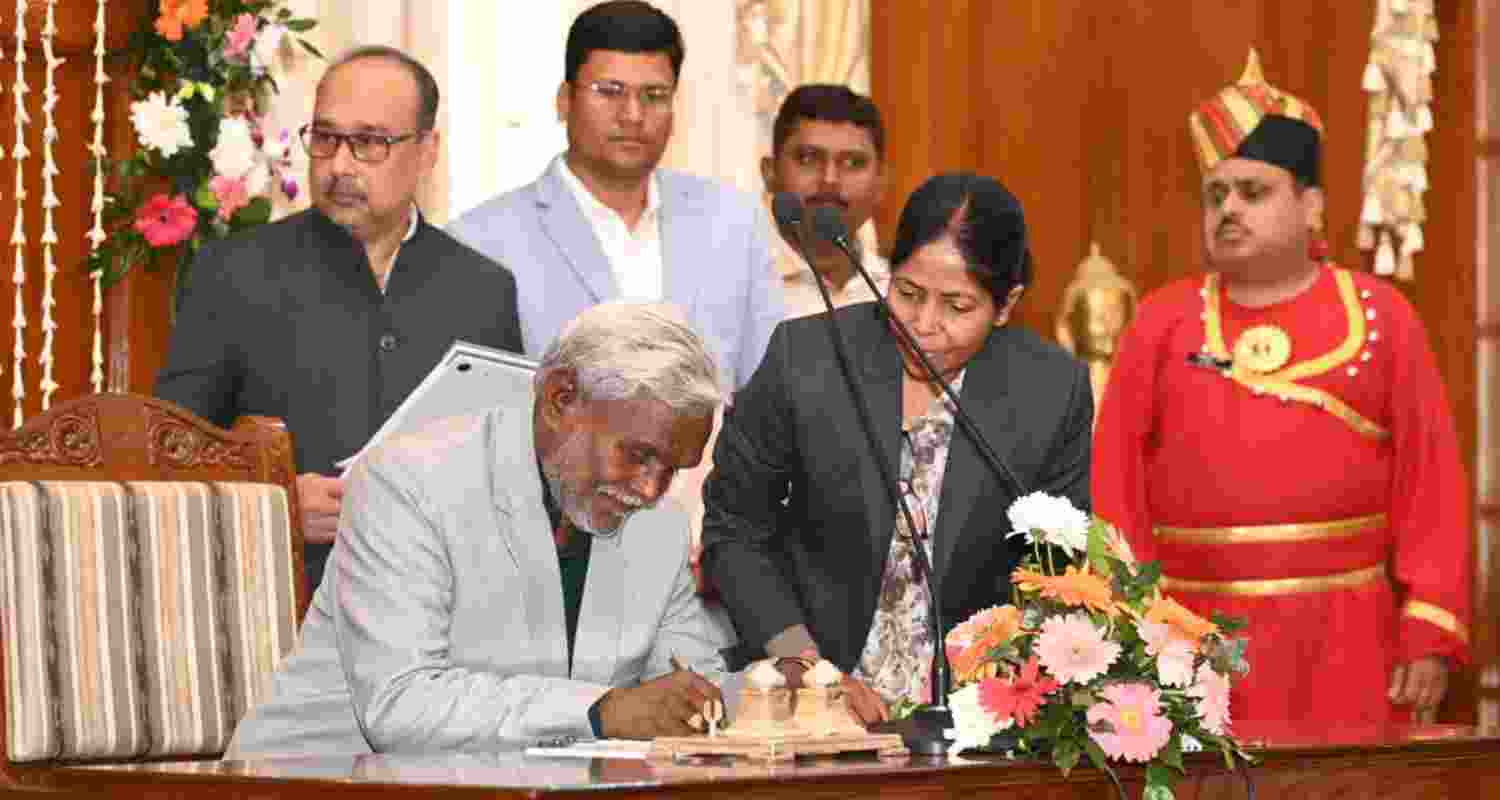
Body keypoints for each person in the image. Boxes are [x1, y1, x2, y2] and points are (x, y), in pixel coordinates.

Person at [1091, 53, 1472, 724]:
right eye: (1216, 194)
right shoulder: (1159, 322)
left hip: (1350, 644)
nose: (1229, 209)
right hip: (1189, 648)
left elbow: (1432, 483)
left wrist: (1430, 629)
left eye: (1253, 191)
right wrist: (1133, 632)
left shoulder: (1383, 318)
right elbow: (1115, 490)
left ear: (1312, 205)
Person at [226, 302, 732, 757]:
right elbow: (400, 707)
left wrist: (773, 692)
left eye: (672, 468)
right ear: (560, 398)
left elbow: (689, 688)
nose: (650, 489)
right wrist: (602, 711)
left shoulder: (659, 524)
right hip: (307, 781)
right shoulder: (407, 479)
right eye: (640, 455)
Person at [702, 173, 1092, 723]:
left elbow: (1057, 565)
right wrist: (803, 664)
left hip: (974, 716)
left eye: (958, 306)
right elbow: (734, 529)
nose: (923, 325)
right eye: (907, 293)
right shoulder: (807, 358)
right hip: (809, 702)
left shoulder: (1050, 390)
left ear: (1007, 305)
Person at [156, 45, 523, 594]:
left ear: (427, 152)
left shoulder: (482, 289)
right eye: (325, 138)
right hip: (281, 601)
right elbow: (167, 455)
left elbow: (508, 473)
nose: (340, 165)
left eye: (370, 143)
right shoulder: (233, 272)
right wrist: (274, 500)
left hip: (441, 612)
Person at [448, 0, 782, 392]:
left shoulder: (734, 223)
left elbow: (770, 395)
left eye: (654, 95)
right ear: (564, 100)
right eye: (610, 92)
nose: (633, 115)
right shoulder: (482, 242)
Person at [761, 84, 890, 319]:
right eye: (808, 158)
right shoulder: (734, 282)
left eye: (853, 163)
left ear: (880, 183)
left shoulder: (897, 292)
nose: (829, 180)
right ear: (770, 174)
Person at [1055, 243, 1137, 420]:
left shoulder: (1138, 391)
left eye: (1114, 312)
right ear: (1068, 328)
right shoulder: (1057, 395)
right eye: (1098, 315)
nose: (1107, 328)